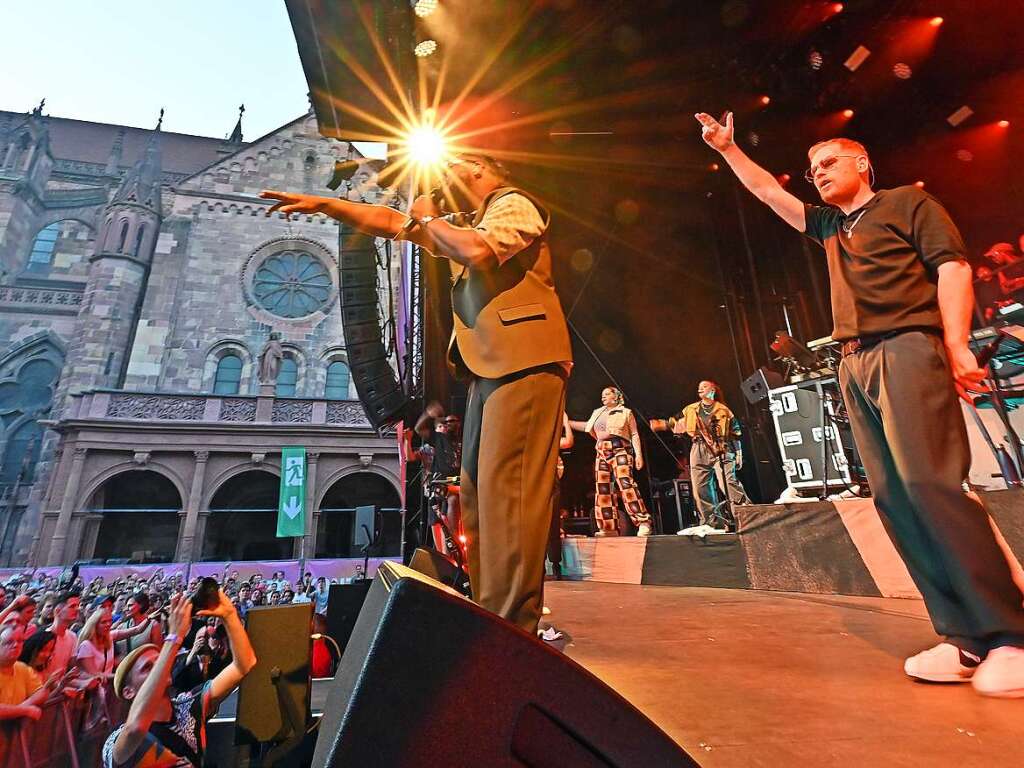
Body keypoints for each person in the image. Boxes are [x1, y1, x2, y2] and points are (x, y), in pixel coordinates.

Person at [695, 109, 1024, 696]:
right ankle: (965, 639)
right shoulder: (829, 227)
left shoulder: (907, 205)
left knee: (931, 485)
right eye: (812, 167)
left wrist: (954, 343)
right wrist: (728, 150)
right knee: (896, 500)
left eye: (829, 162)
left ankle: (1011, 636)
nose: (817, 173)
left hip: (906, 346)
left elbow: (952, 268)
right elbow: (769, 191)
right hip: (854, 362)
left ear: (862, 162)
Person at [261, 150, 572, 636]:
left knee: (509, 497)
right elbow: (391, 221)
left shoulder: (514, 203)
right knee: (478, 495)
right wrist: (329, 207)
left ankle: (512, 629)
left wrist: (427, 219)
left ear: (479, 167)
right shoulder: (464, 220)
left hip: (526, 361)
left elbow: (482, 251)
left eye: (455, 164)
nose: (447, 172)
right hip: (489, 369)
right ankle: (493, 619)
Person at [103, 590, 257, 768]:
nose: (159, 669)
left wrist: (229, 615)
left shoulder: (187, 705)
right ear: (128, 692)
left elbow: (243, 665)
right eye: (148, 668)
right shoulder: (115, 740)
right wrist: (174, 636)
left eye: (159, 662)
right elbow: (135, 728)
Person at [651, 380, 750, 532]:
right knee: (700, 486)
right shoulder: (691, 408)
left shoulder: (723, 410)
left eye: (704, 387)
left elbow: (735, 432)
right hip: (698, 447)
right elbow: (676, 422)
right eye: (699, 387)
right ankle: (711, 523)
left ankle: (747, 516)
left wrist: (739, 453)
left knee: (728, 482)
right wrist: (663, 424)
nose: (700, 389)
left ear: (713, 390)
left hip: (722, 447)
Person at [569, 387, 652, 537]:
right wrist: (567, 422)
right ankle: (608, 527)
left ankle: (643, 521)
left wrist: (638, 455)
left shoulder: (625, 412)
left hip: (620, 448)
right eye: (602, 395)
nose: (604, 397)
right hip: (602, 449)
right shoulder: (598, 412)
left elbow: (634, 434)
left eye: (607, 394)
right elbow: (587, 426)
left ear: (616, 396)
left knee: (625, 483)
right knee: (603, 488)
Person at [43, 591, 79, 678]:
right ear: (58, 611)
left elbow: (71, 670)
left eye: (78, 606)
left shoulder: (72, 636)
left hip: (63, 684)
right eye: (72, 606)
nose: (78, 609)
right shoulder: (45, 637)